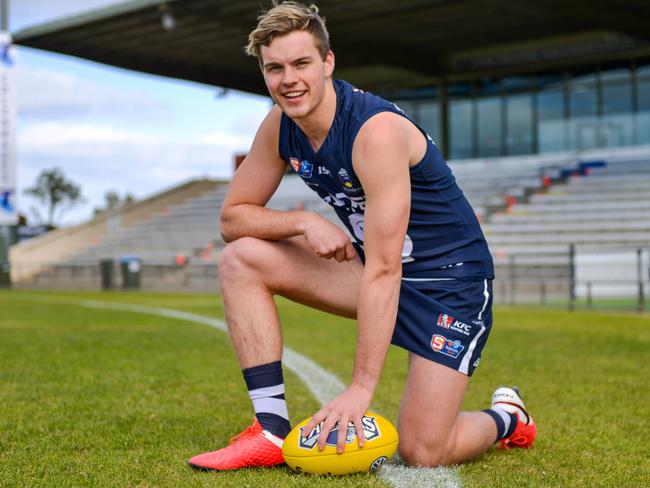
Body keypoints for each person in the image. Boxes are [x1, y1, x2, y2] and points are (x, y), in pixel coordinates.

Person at [189, 1, 536, 471]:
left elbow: (387, 268)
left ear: (328, 63)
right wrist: (302, 221)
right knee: (241, 259)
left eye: (301, 63)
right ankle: (271, 430)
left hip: (448, 285)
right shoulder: (279, 126)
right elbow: (232, 220)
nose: (288, 79)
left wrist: (360, 389)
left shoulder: (376, 133)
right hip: (373, 269)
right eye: (275, 68)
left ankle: (507, 418)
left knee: (422, 452)